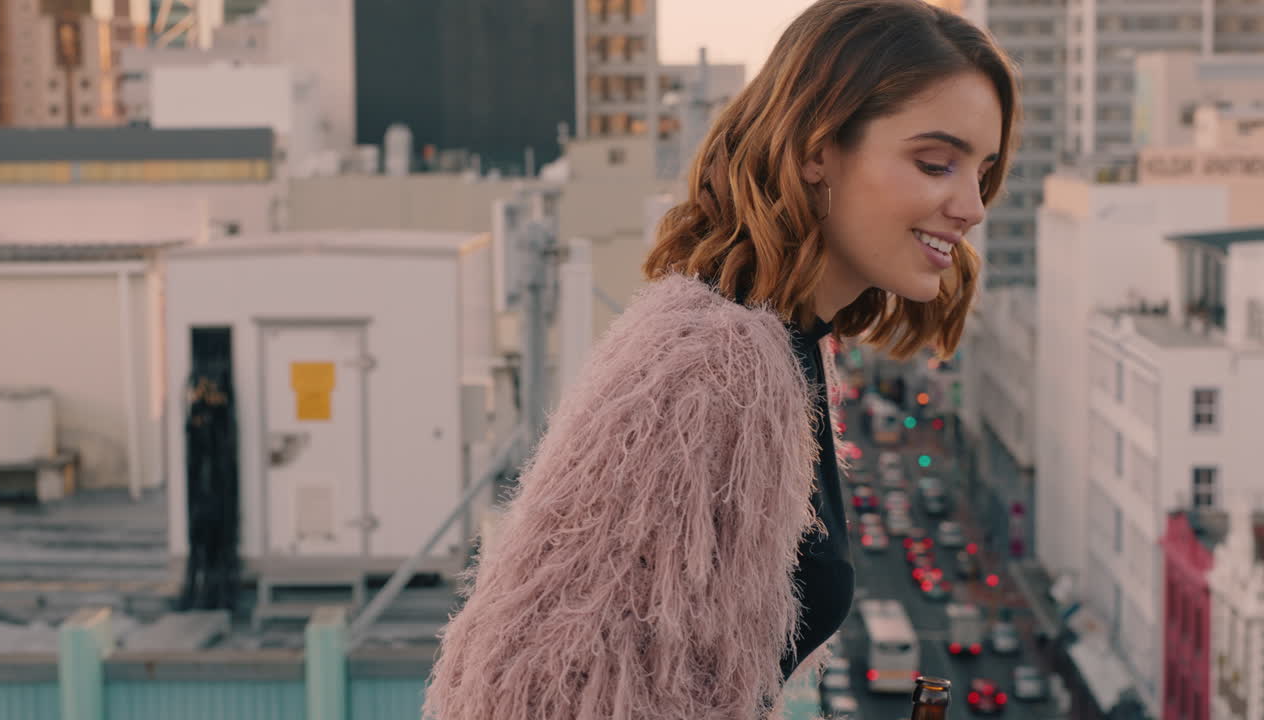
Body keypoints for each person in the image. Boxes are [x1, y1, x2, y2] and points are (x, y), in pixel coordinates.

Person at [423, 1, 1020, 718]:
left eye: (982, 172)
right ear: (816, 150)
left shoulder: (766, 343)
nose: (972, 205)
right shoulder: (720, 367)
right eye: (935, 163)